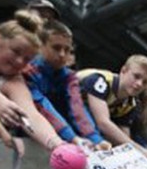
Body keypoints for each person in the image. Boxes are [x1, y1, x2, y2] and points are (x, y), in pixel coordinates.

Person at [0, 10, 65, 153]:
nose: (19, 61)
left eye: (27, 59)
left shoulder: (14, 79)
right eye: (16, 51)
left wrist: (56, 144)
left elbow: (30, 114)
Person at [24, 20, 110, 151]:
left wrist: (96, 139)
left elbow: (77, 107)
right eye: (56, 48)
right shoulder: (27, 72)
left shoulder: (70, 76)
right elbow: (42, 106)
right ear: (40, 46)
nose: (62, 54)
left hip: (65, 138)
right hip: (30, 135)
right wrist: (72, 138)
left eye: (67, 50)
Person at [77, 55, 147, 164]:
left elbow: (123, 138)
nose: (139, 84)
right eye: (136, 76)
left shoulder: (131, 104)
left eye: (145, 82)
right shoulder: (101, 80)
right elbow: (103, 123)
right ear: (123, 70)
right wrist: (141, 151)